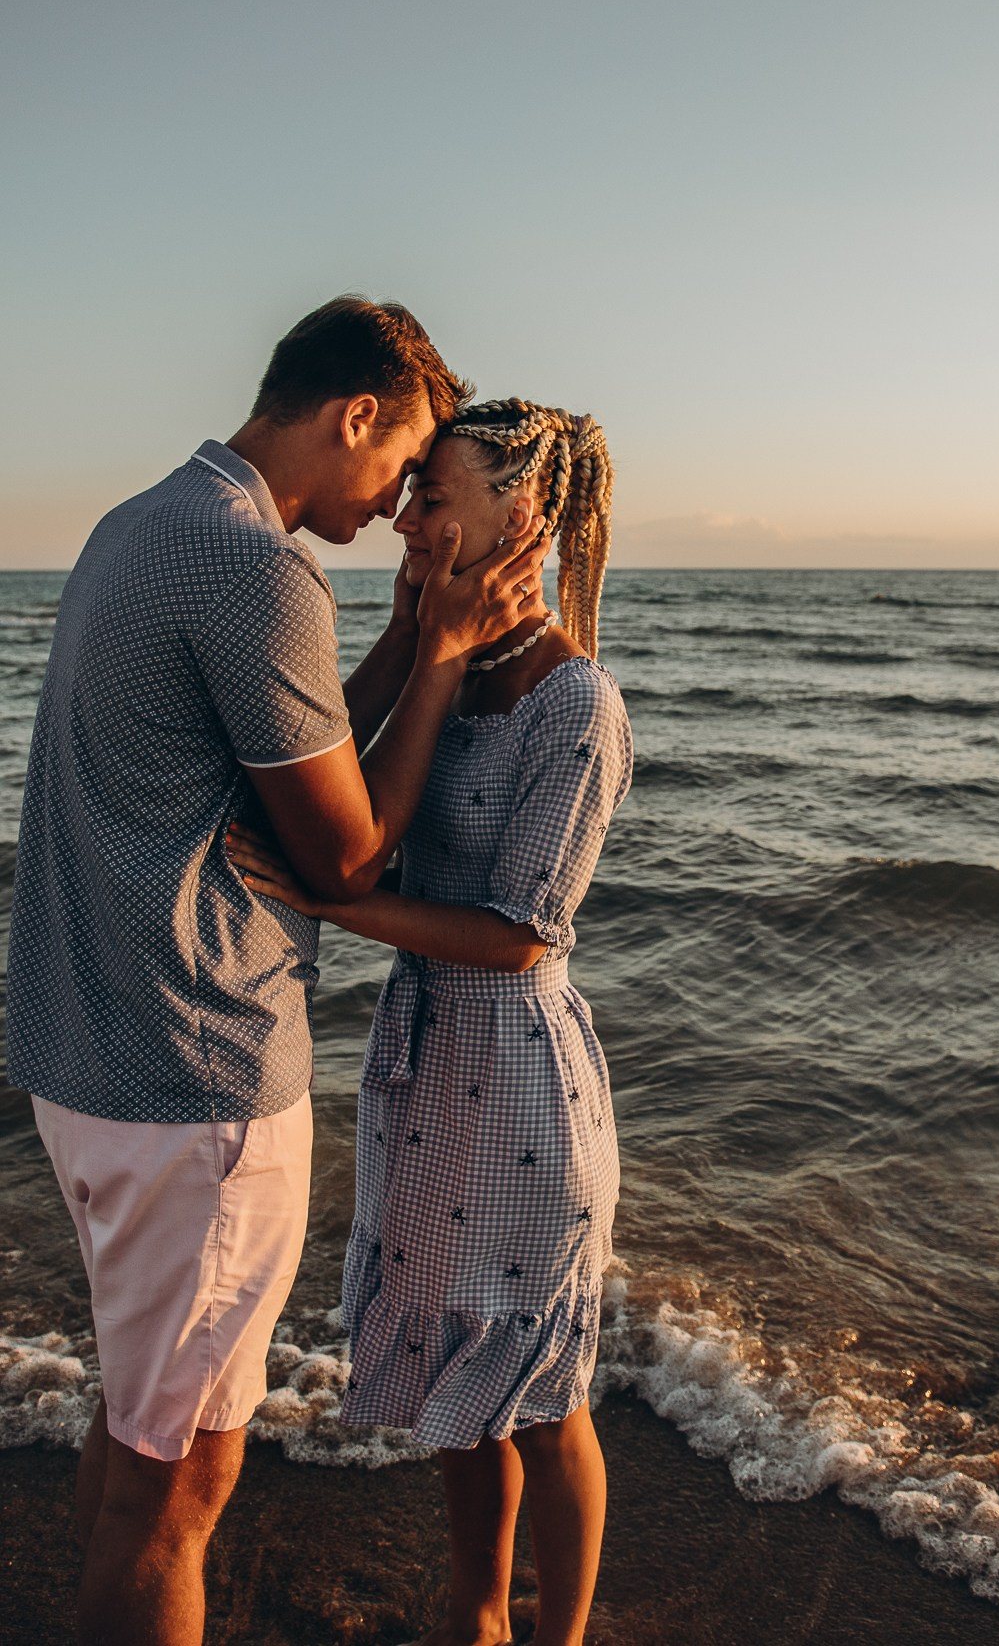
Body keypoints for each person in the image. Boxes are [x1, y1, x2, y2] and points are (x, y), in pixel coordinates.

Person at [6, 299, 547, 1646]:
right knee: (181, 1481)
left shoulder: (145, 526)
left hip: (85, 1064)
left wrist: (399, 638)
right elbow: (349, 859)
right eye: (401, 463)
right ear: (354, 414)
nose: (399, 503)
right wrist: (443, 653)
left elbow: (280, 738)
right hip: (194, 1083)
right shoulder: (256, 569)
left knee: (138, 1434)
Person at [228, 399, 632, 1646]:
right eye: (409, 494)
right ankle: (475, 1613)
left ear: (521, 519)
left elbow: (520, 933)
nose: (406, 514)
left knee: (542, 1392)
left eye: (435, 497)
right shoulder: (454, 677)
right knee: (463, 1378)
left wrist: (331, 902)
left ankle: (554, 1633)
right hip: (426, 1064)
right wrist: (420, 646)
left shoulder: (578, 706)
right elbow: (355, 795)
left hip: (516, 1085)